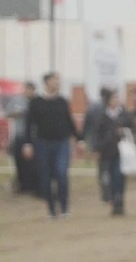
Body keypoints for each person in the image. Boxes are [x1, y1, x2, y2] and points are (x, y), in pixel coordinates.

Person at [22, 71, 80, 218]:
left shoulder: (62, 101)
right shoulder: (36, 102)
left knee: (61, 173)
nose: (58, 83)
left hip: (61, 143)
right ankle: (51, 209)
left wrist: (79, 138)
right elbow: (29, 124)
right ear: (47, 82)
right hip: (43, 143)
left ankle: (64, 207)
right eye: (55, 80)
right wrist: (28, 143)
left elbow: (69, 121)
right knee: (46, 177)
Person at [94, 90, 134, 215]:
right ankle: (113, 199)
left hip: (122, 151)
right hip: (108, 151)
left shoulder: (124, 115)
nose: (116, 101)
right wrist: (98, 149)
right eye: (113, 98)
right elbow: (97, 134)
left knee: (120, 176)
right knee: (110, 176)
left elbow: (132, 127)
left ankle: (119, 200)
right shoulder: (102, 116)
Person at [7, 81, 41, 195]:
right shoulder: (16, 100)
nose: (29, 92)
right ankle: (22, 185)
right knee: (19, 161)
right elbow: (8, 114)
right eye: (27, 89)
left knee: (33, 162)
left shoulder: (37, 102)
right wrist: (18, 114)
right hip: (20, 135)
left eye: (31, 90)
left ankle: (33, 185)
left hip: (34, 136)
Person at [82, 88, 113, 202]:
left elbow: (87, 126)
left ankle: (105, 193)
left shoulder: (93, 108)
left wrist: (86, 140)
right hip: (107, 144)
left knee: (103, 169)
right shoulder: (108, 109)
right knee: (109, 169)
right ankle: (109, 192)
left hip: (97, 142)